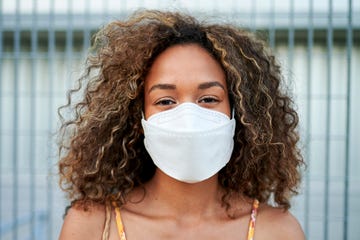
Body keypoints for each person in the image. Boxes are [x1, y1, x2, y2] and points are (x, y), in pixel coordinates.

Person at [57, 10, 305, 240]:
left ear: (238, 113)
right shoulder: (93, 225)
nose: (188, 117)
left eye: (208, 99)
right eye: (165, 101)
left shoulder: (277, 231)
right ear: (138, 119)